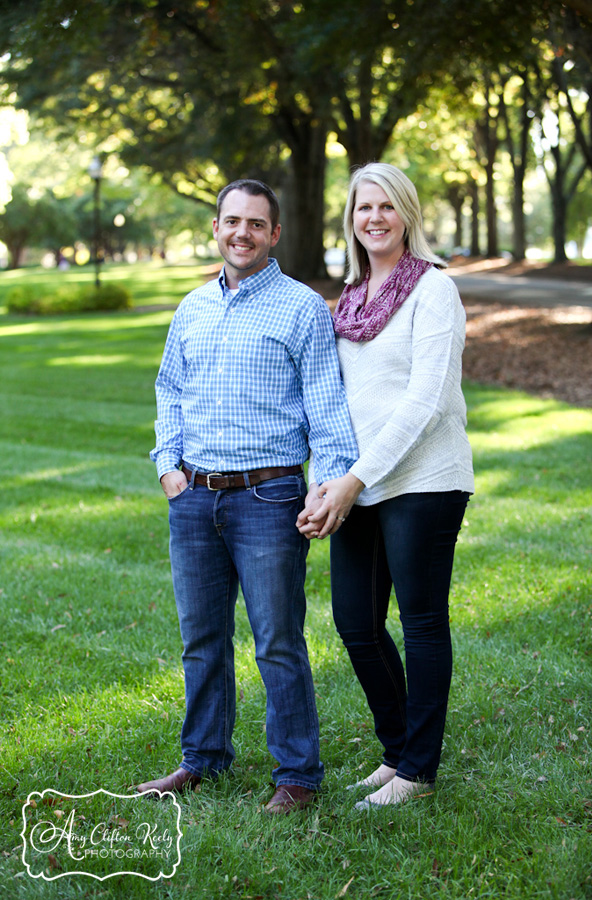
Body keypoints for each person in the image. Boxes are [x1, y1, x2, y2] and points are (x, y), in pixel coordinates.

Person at [139, 179, 358, 814]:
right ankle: (202, 759)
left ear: (275, 234)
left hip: (269, 498)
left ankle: (298, 774)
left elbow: (326, 407)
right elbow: (169, 390)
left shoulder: (301, 308)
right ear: (216, 228)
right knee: (201, 638)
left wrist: (330, 483)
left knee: (276, 640)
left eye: (255, 224)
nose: (242, 233)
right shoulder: (192, 307)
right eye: (231, 221)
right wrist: (167, 467)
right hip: (194, 498)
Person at [297, 162, 474, 809]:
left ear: (406, 214)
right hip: (358, 481)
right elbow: (336, 402)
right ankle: (397, 749)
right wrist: (331, 480)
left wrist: (354, 480)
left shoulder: (434, 290)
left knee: (422, 623)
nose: (373, 218)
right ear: (350, 219)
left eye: (386, 207)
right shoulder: (348, 300)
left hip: (424, 479)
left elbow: (426, 400)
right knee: (355, 623)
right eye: (362, 208)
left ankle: (418, 772)